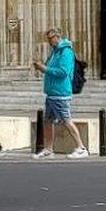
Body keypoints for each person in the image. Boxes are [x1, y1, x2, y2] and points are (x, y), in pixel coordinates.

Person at [32, 28, 88, 159]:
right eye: (48, 39)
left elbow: (63, 72)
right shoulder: (55, 52)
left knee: (66, 120)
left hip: (61, 92)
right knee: (48, 121)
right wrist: (41, 67)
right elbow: (51, 69)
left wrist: (44, 68)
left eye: (50, 39)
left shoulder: (66, 52)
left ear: (57, 37)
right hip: (52, 92)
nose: (49, 42)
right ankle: (48, 149)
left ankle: (81, 147)